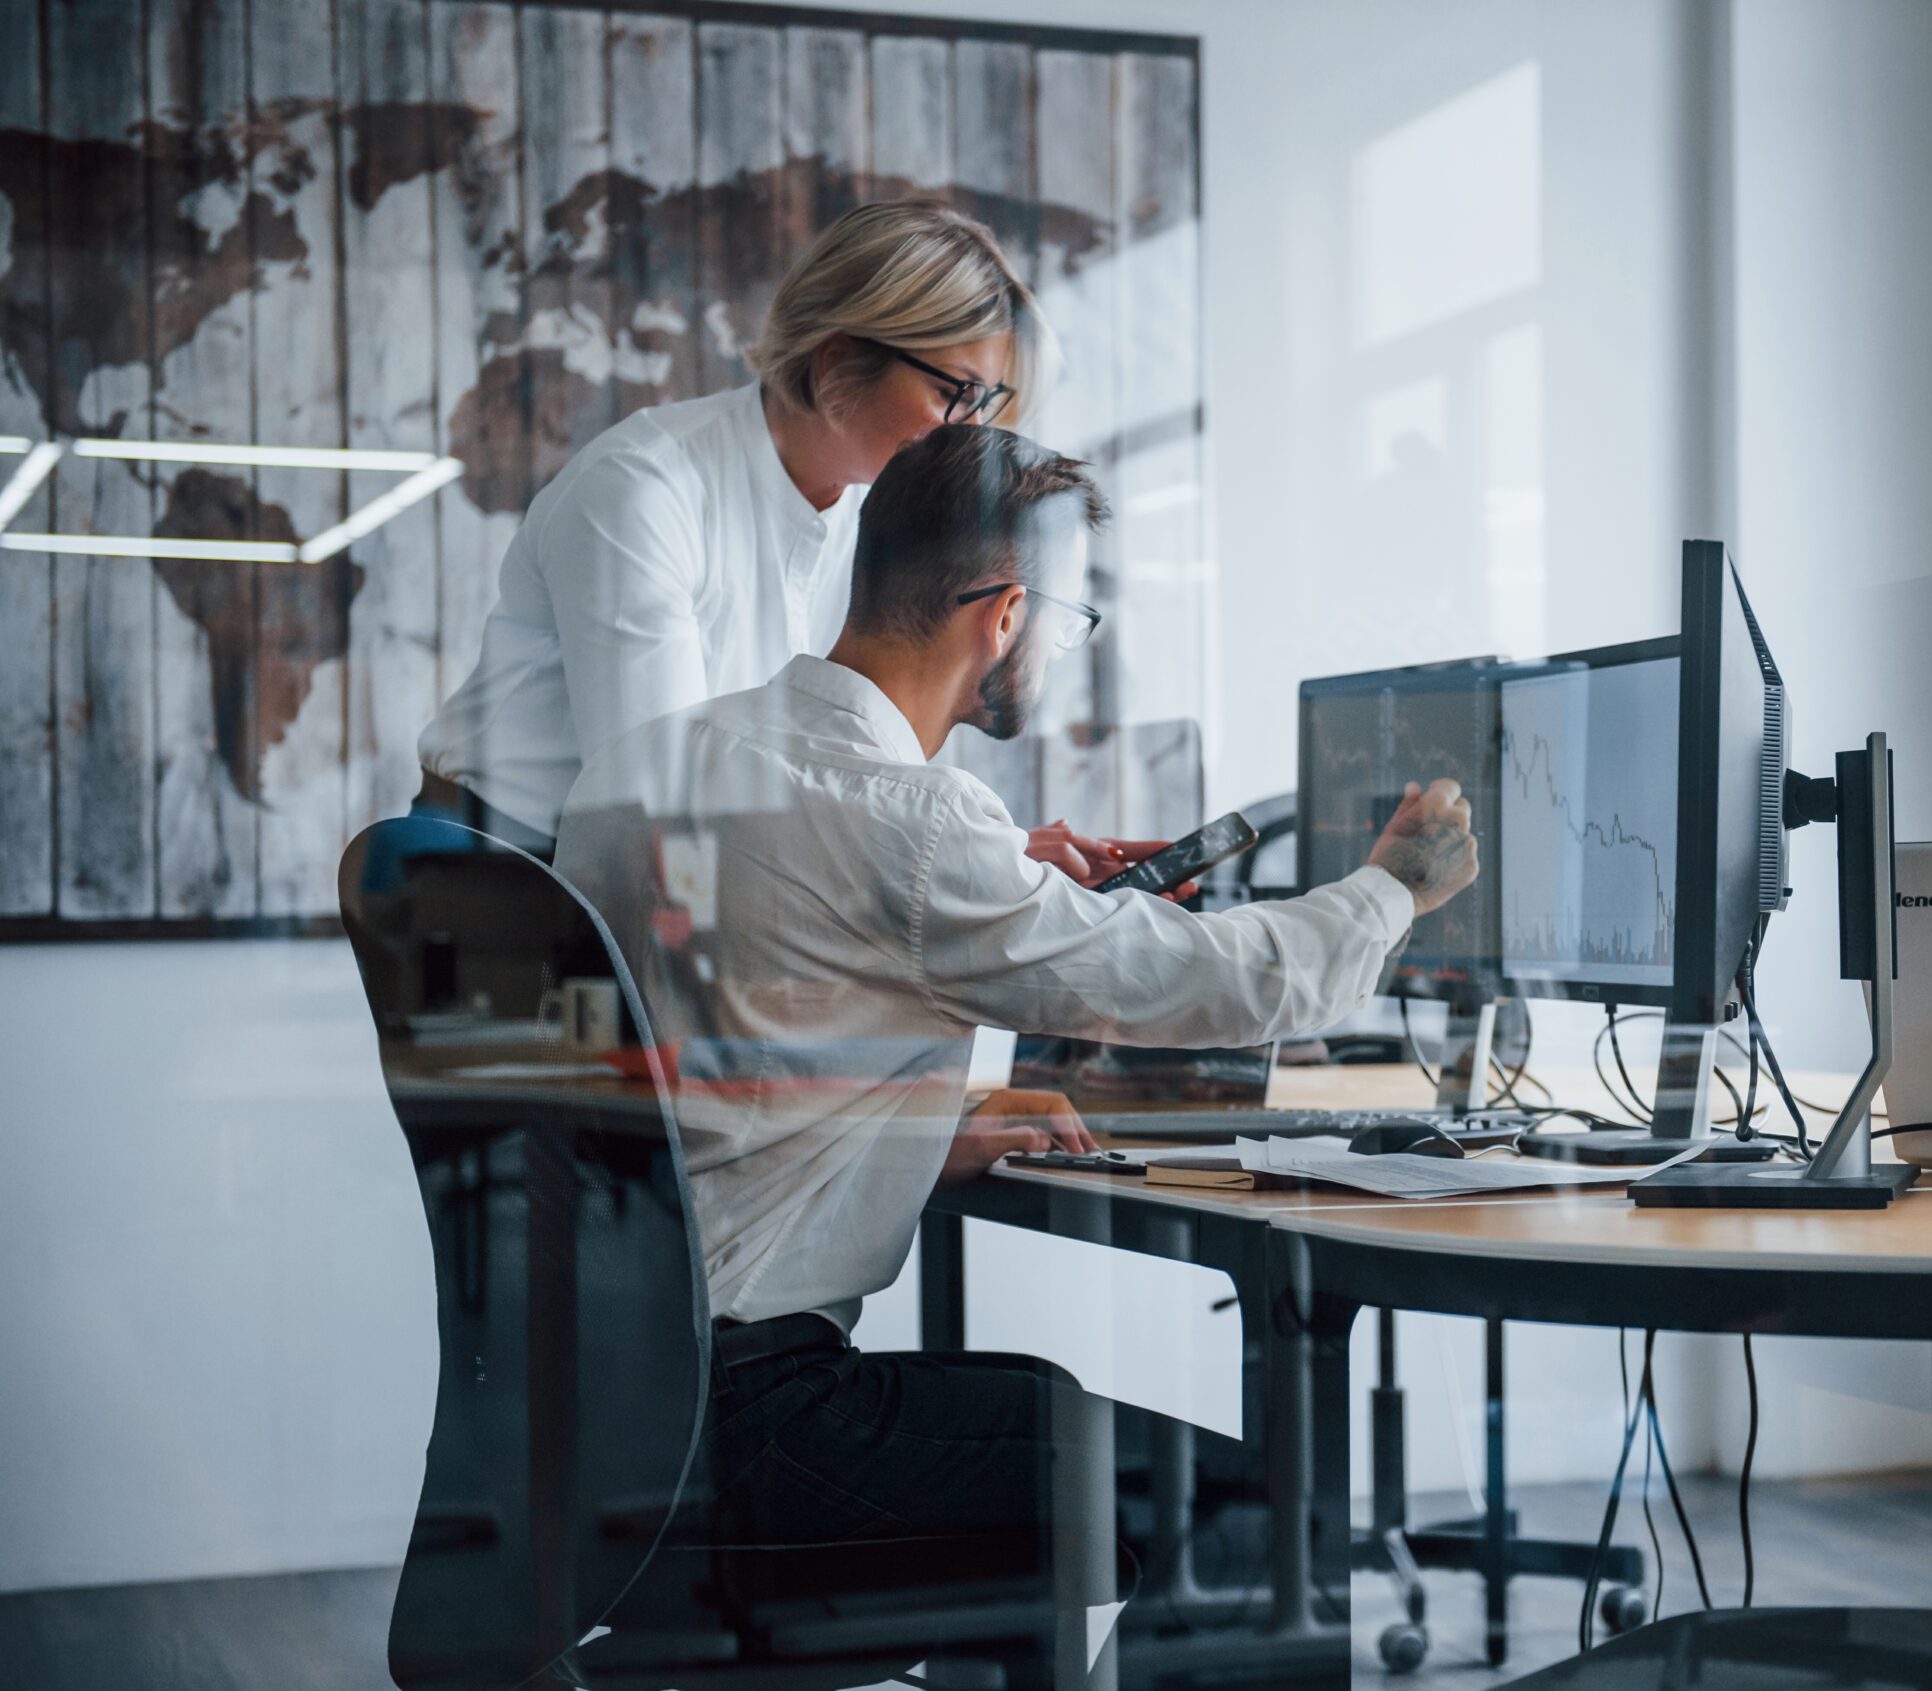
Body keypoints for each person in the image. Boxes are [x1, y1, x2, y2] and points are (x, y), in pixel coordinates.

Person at [552, 422, 1477, 1565]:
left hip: (601, 1403)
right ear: (1002, 612)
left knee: (1043, 1407)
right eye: (1066, 619)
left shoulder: (645, 765)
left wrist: (905, 1127)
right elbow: (1219, 982)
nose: (1059, 646)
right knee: (1250, 1505)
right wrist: (1395, 886)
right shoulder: (911, 821)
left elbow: (710, 1058)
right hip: (749, 1421)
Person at [415, 198, 1138, 886]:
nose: (972, 435)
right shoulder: (642, 489)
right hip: (509, 877)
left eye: (988, 404)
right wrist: (937, 874)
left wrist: (989, 857)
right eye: (955, 392)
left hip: (674, 868)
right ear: (836, 363)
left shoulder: (871, 514)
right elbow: (658, 807)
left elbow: (836, 767)